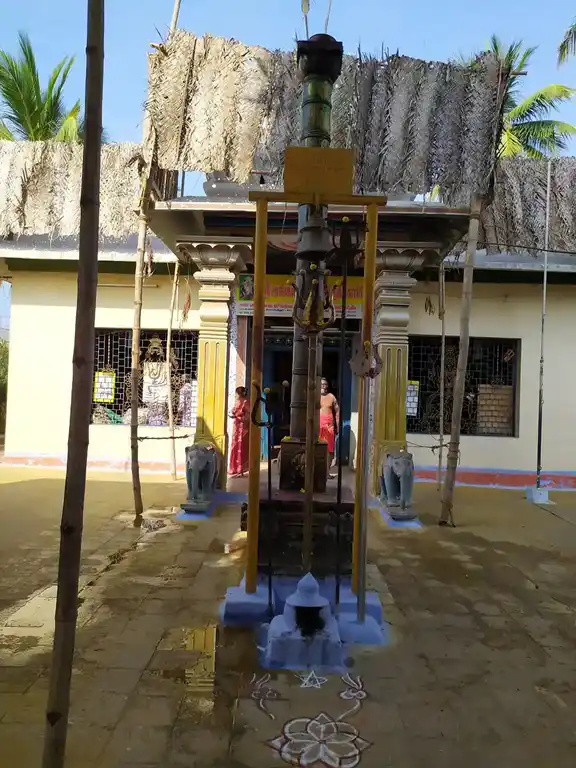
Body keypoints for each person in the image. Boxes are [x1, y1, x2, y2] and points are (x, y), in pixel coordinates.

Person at [319, 377, 339, 477]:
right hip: (318, 428)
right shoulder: (315, 396)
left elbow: (337, 411)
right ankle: (318, 472)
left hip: (329, 428)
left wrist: (338, 425)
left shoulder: (331, 397)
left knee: (329, 451)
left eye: (325, 384)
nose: (324, 386)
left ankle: (327, 472)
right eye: (322, 384)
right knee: (318, 449)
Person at [229, 386, 250, 477]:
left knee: (241, 447)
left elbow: (248, 416)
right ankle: (234, 468)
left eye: (236, 393)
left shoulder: (246, 402)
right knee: (235, 446)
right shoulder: (237, 402)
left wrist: (238, 417)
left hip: (243, 429)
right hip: (236, 427)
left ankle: (240, 469)